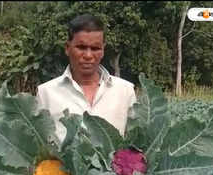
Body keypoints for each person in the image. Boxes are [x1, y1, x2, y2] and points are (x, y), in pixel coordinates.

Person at [36, 14, 137, 144]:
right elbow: (39, 147)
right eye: (81, 47)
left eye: (95, 48)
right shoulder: (46, 94)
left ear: (103, 50)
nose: (88, 55)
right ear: (67, 48)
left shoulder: (125, 91)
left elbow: (135, 143)